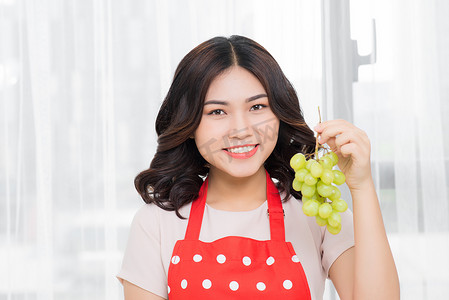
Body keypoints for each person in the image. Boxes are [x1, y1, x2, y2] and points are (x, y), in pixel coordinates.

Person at [117, 35, 400, 299]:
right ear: (189, 124)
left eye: (257, 107)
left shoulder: (314, 212)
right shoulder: (155, 223)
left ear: (278, 113)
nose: (241, 130)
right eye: (217, 111)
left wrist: (361, 186)